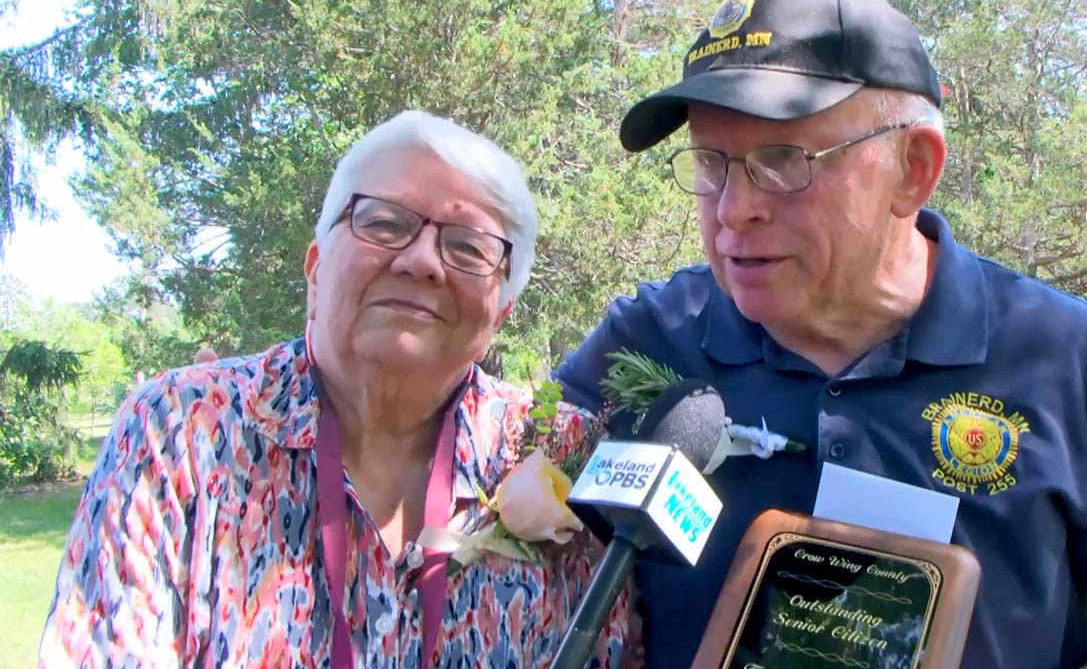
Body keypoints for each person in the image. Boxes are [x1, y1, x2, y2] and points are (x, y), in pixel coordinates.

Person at [556, 0, 1087, 668]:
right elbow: (496, 510)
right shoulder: (648, 337)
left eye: (783, 160)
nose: (733, 209)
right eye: (710, 163)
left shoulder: (1067, 356)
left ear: (912, 168)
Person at [40, 111, 640, 668]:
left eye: (467, 246)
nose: (423, 261)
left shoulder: (564, 457)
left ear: (501, 313)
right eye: (384, 221)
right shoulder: (181, 434)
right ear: (315, 267)